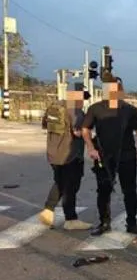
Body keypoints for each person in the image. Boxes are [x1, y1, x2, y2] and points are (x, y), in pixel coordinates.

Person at [81, 79, 137, 236]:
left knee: (130, 190)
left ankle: (132, 223)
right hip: (103, 156)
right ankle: (104, 222)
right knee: (103, 190)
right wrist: (90, 148)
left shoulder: (130, 110)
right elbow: (85, 129)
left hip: (127, 155)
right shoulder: (95, 109)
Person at [38, 91, 91, 230]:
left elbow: (45, 124)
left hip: (54, 154)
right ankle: (71, 219)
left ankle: (48, 211)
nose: (83, 102)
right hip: (70, 155)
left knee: (60, 183)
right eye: (82, 98)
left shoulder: (54, 107)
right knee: (71, 187)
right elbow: (78, 132)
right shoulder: (76, 111)